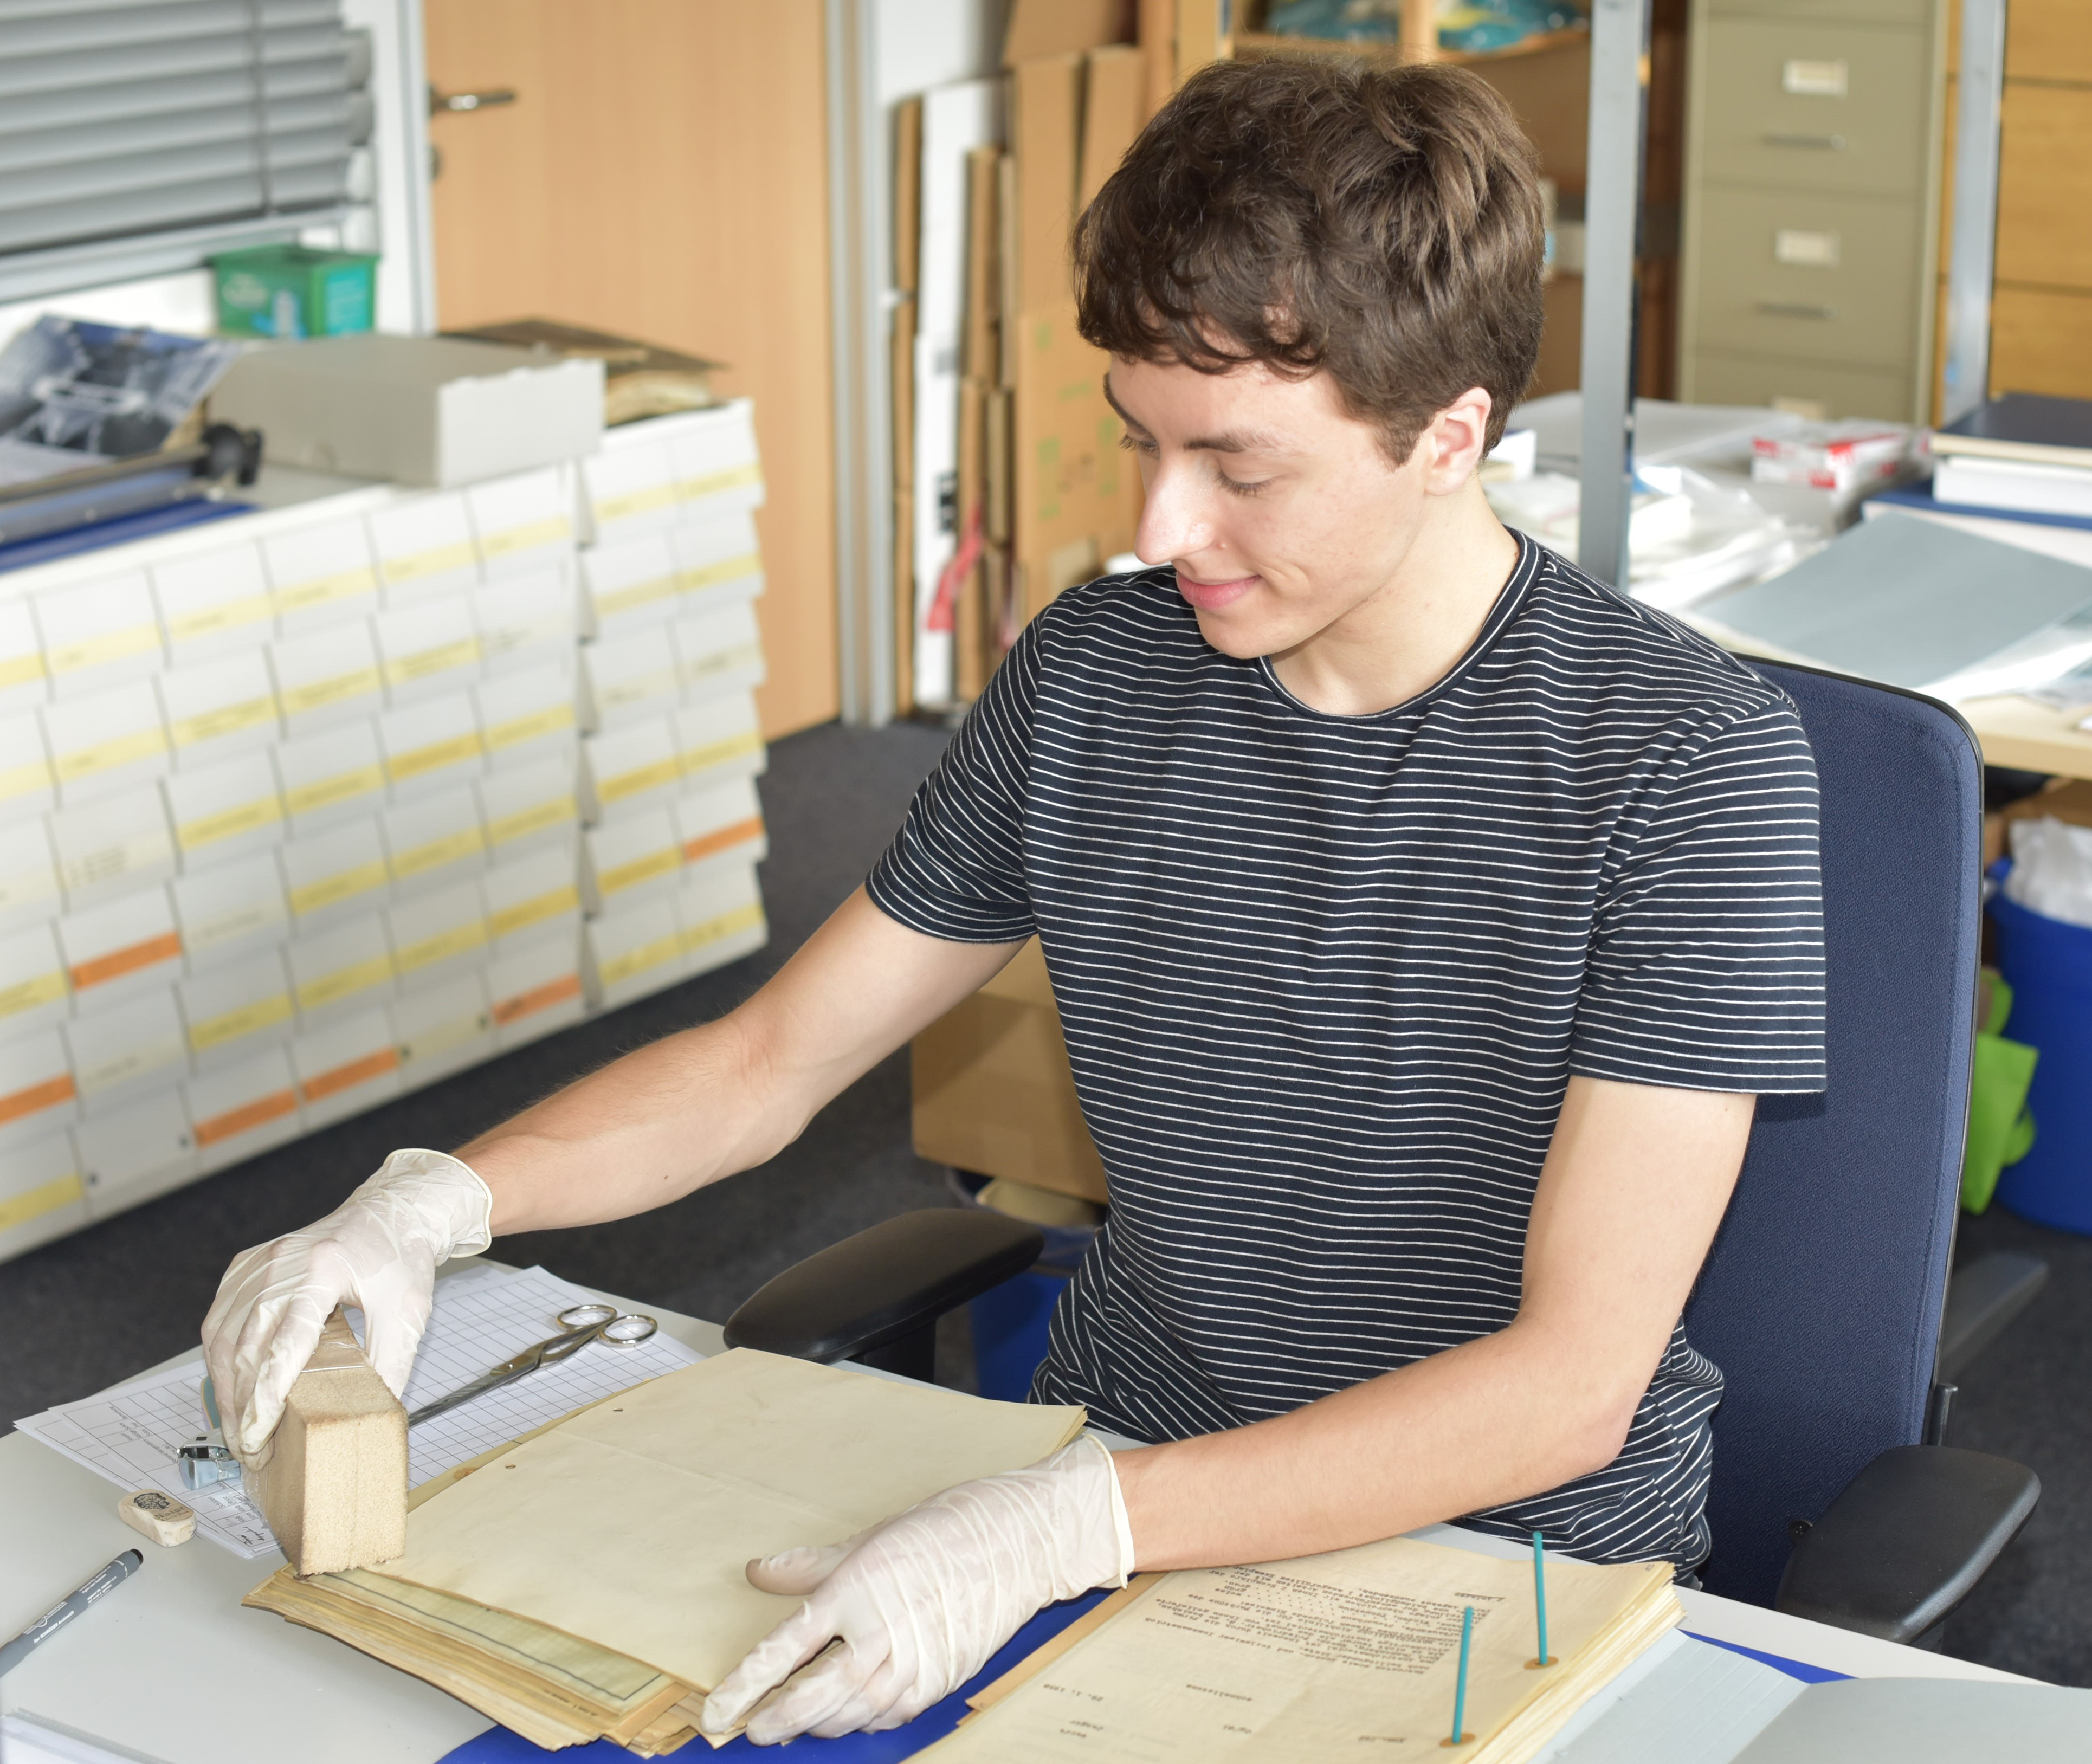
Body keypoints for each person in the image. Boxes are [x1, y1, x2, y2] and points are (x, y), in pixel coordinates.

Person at [202, 56, 1824, 1747]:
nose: (1159, 525)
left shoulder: (1684, 766)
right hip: (1117, 1470)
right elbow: (766, 1066)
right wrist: (435, 1202)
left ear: (1449, 437)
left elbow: (1567, 1392)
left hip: (1489, 1556)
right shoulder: (1098, 680)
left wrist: (1066, 1529)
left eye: (1237, 469)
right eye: (1139, 441)